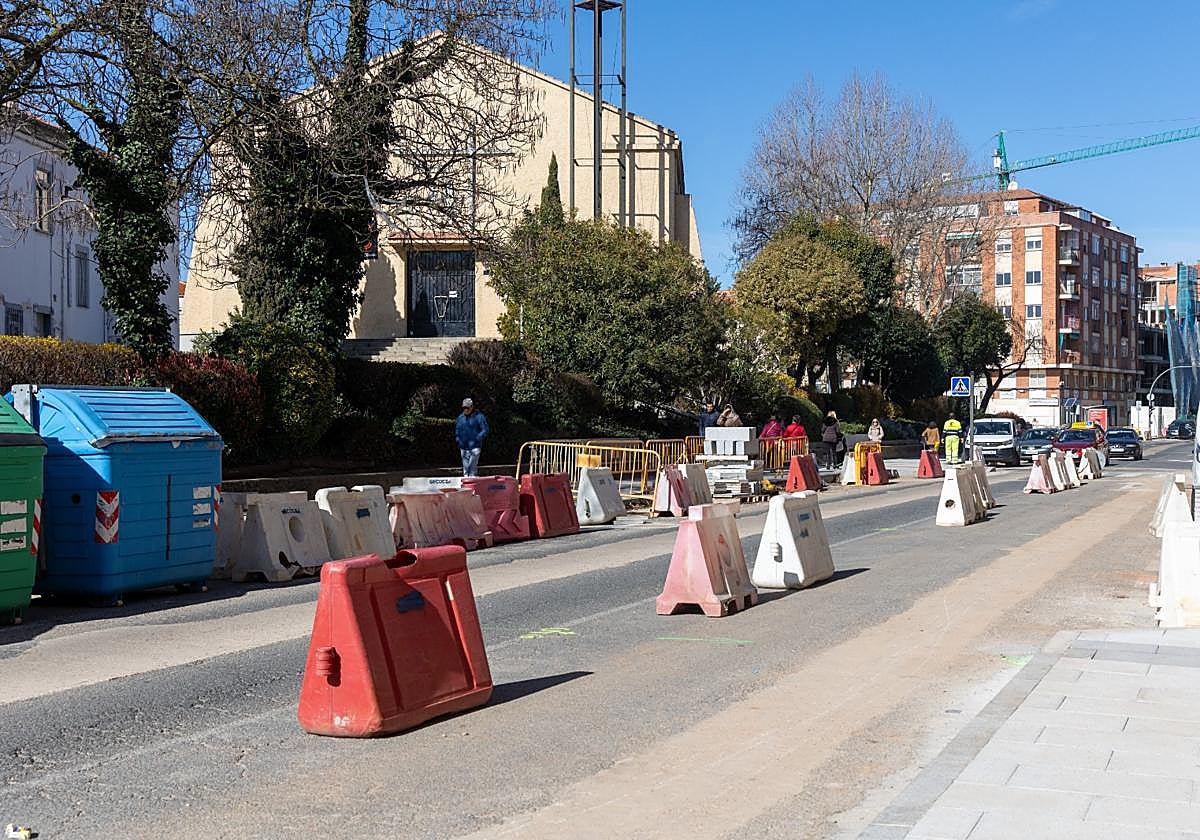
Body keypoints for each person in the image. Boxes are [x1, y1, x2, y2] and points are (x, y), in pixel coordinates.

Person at [455, 397, 489, 477]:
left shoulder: (479, 417)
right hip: (463, 447)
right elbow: (457, 429)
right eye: (464, 408)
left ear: (472, 407)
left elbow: (485, 429)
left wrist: (477, 438)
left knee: (472, 469)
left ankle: (472, 481)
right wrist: (458, 438)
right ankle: (466, 482)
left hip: (475, 447)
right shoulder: (460, 417)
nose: (465, 409)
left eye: (467, 407)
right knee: (466, 470)